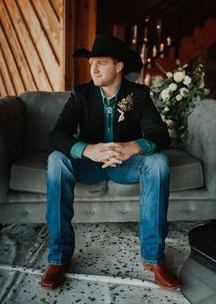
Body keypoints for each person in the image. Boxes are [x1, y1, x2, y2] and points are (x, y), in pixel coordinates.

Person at [41, 34, 180, 290]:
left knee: (158, 162)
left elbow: (160, 134)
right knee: (56, 161)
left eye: (101, 63)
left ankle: (154, 258)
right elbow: (57, 135)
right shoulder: (81, 94)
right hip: (90, 165)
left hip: (126, 164)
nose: (93, 68)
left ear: (118, 67)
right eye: (91, 62)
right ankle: (58, 258)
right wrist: (88, 150)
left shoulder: (138, 93)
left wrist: (132, 147)